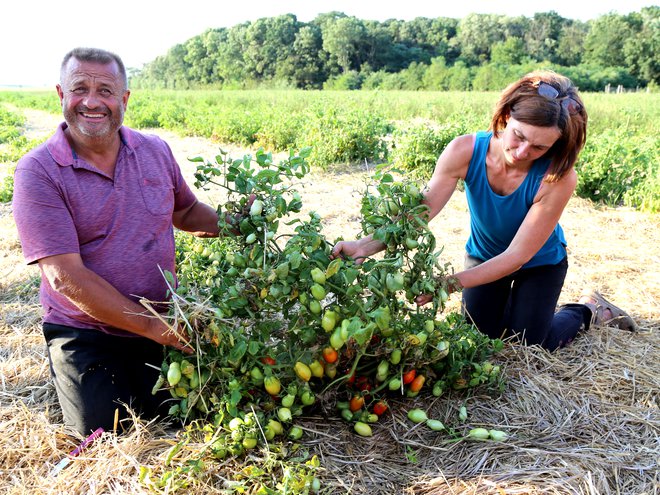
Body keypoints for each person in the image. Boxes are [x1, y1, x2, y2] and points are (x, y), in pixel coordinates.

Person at [332, 70, 637, 351]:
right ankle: (514, 310)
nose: (522, 153)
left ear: (555, 146)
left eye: (539, 148)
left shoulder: (559, 176)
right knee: (480, 337)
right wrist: (364, 245)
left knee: (529, 344)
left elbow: (517, 256)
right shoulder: (464, 150)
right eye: (518, 136)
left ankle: (588, 309)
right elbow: (421, 212)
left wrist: (448, 284)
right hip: (485, 255)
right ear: (505, 117)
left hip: (540, 264)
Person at [12, 48, 221, 436]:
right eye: (80, 89)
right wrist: (156, 329)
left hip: (160, 315)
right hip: (86, 331)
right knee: (108, 430)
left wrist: (238, 222)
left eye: (105, 91)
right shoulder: (38, 171)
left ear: (124, 99)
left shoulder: (154, 150)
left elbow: (187, 213)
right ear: (61, 95)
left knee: (188, 416)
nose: (92, 101)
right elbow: (64, 277)